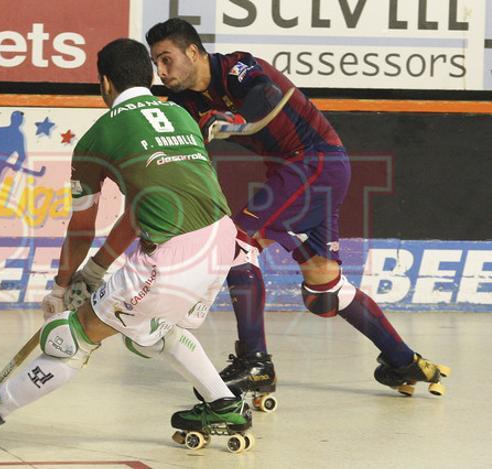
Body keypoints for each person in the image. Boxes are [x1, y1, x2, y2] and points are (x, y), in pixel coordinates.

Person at [0, 38, 253, 450]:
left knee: (71, 337)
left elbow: (82, 226)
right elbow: (140, 210)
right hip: (222, 240)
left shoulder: (98, 137)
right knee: (154, 326)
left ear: (105, 83)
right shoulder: (180, 115)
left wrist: (63, 285)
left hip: (173, 252)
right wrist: (96, 271)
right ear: (148, 77)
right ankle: (223, 402)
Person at [145, 18, 449, 399]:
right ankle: (402, 361)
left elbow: (264, 94)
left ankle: (256, 363)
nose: (161, 70)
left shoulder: (237, 67)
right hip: (302, 171)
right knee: (325, 289)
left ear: (193, 52)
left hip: (314, 163)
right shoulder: (186, 102)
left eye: (166, 59)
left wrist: (235, 121)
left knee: (236, 243)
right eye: (155, 62)